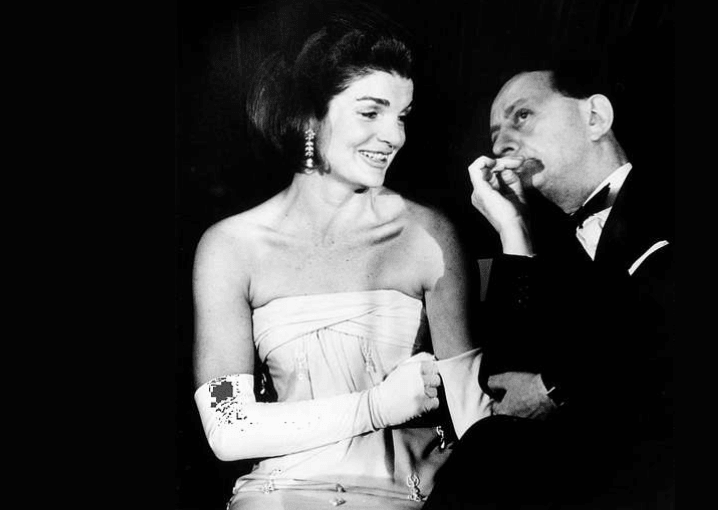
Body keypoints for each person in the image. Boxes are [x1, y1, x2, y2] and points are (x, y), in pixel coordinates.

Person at [191, 13, 493, 510]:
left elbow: (474, 414)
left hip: (407, 498)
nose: (394, 135)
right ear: (311, 117)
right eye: (371, 112)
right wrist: (378, 406)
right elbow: (229, 428)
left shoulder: (428, 234)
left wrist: (514, 233)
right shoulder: (229, 246)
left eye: (402, 115)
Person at [423, 61, 674, 509]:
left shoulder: (666, 198)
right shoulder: (555, 251)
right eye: (494, 134)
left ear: (595, 117)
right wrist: (513, 229)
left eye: (522, 115)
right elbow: (507, 385)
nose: (501, 143)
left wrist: (558, 387)